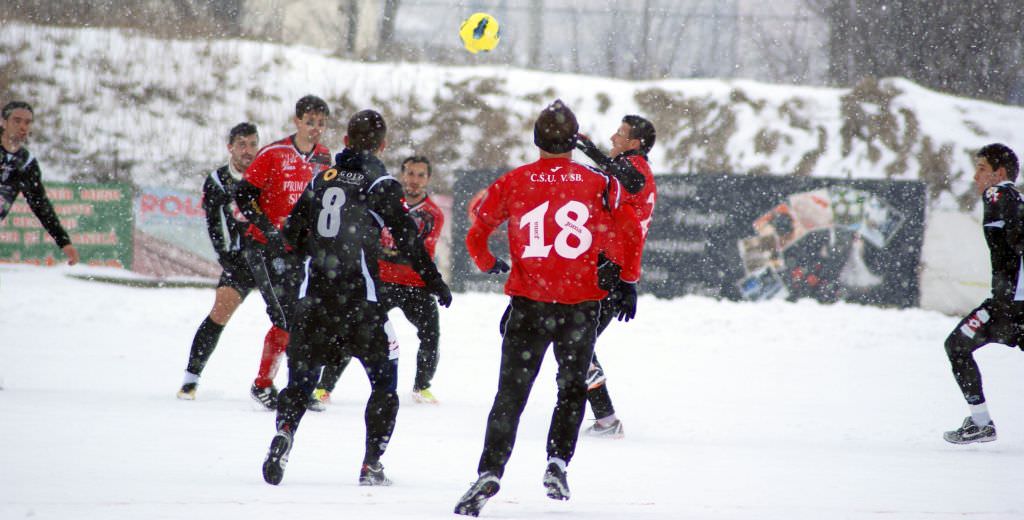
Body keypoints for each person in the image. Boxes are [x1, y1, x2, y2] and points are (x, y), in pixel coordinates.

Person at [454, 100, 638, 517]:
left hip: (530, 304)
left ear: (536, 139)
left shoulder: (514, 181)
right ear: (574, 141)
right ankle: (558, 461)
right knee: (571, 388)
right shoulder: (597, 182)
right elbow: (629, 229)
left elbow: (476, 234)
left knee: (511, 394)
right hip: (580, 304)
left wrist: (487, 263)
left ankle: (491, 469)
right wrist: (626, 279)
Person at [260, 109, 452, 487]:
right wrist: (435, 282)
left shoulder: (320, 177)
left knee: (301, 381)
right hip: (359, 301)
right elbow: (409, 239)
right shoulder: (381, 181)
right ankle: (371, 464)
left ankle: (284, 431)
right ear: (382, 145)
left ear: (344, 142)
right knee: (385, 382)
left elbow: (292, 238)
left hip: (314, 299)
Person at [313, 155, 446, 405]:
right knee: (351, 329)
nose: (414, 180)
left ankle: (422, 386)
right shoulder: (385, 201)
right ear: (402, 174)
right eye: (410, 173)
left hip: (416, 285)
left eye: (420, 175)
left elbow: (419, 252)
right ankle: (324, 387)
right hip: (381, 282)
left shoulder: (433, 214)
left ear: (428, 179)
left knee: (431, 334)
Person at [235, 95, 332, 411]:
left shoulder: (325, 158)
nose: (315, 128)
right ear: (297, 122)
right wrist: (270, 230)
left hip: (300, 251)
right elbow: (244, 196)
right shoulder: (274, 153)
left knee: (302, 317)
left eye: (320, 123)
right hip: (264, 247)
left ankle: (289, 386)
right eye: (309, 122)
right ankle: (266, 385)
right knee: (287, 317)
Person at [574, 114, 658, 438]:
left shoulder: (635, 170)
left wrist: (587, 149)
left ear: (635, 144)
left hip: (611, 271)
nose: (613, 137)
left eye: (620, 134)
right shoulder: (631, 171)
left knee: (577, 343)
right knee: (577, 342)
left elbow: (619, 175)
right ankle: (596, 415)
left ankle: (605, 419)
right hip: (609, 269)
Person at [943, 143, 1024, 444]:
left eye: (981, 169)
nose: (975, 176)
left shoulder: (998, 194)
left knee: (956, 346)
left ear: (999, 173)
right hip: (1014, 304)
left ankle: (980, 422)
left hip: (1007, 306)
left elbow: (1018, 236)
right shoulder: (1013, 198)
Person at [176, 122, 260, 400]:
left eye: (252, 144)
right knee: (219, 312)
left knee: (299, 316)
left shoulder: (265, 174)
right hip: (240, 261)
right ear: (230, 148)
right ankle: (190, 380)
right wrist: (228, 259)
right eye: (242, 145)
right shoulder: (217, 181)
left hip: (271, 259)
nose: (248, 151)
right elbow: (215, 228)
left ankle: (297, 385)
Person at [0, 101, 79, 265]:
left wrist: (63, 241)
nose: (23, 126)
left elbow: (40, 204)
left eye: (27, 122)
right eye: (17, 120)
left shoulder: (26, 163)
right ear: (3, 121)